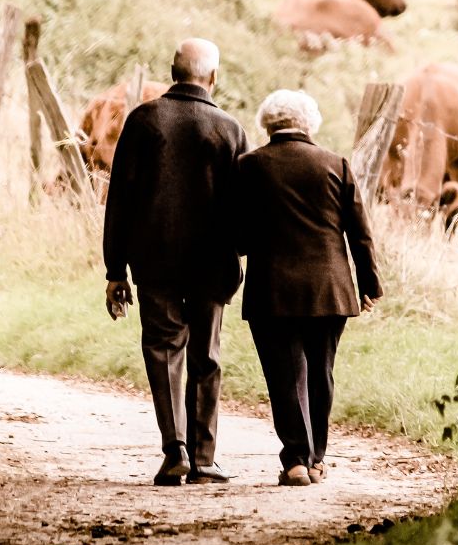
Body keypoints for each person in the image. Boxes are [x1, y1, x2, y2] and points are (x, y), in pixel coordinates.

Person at [103, 38, 250, 486]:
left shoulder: (144, 120)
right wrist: (239, 254)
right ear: (214, 77)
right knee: (206, 354)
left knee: (164, 351)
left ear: (172, 71)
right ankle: (205, 459)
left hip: (154, 260)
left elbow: (120, 200)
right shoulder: (229, 129)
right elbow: (242, 207)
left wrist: (115, 270)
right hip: (212, 263)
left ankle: (175, 451)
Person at [236, 89, 381, 487]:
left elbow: (239, 235)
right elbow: (360, 233)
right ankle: (316, 459)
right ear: (310, 123)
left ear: (267, 123)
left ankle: (295, 460)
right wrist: (369, 283)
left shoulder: (249, 166)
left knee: (284, 375)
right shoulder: (336, 164)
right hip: (330, 288)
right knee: (321, 372)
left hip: (272, 290)